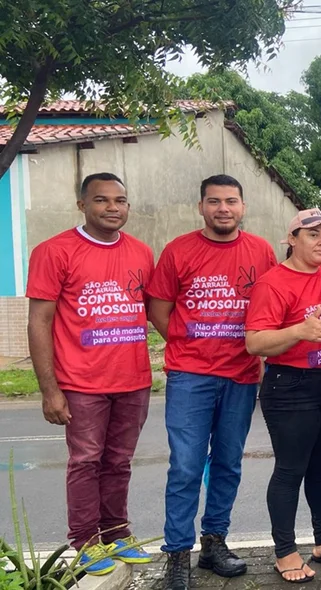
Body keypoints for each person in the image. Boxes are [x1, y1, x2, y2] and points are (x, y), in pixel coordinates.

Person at [148, 175, 278, 590]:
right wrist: (189, 346)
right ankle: (177, 556)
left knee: (227, 464)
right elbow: (160, 309)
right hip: (191, 376)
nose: (224, 208)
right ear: (201, 206)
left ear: (243, 207)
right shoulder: (178, 251)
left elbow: (271, 307)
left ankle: (214, 543)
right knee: (185, 466)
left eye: (231, 201)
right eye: (214, 201)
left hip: (241, 375)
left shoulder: (261, 251)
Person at [26, 173, 154, 575]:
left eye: (121, 200)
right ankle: (85, 543)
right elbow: (38, 323)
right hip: (81, 382)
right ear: (82, 205)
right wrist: (50, 390)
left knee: (120, 462)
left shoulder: (141, 252)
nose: (113, 208)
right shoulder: (54, 251)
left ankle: (116, 534)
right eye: (101, 200)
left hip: (134, 379)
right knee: (85, 462)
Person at [244, 209, 321, 583]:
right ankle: (285, 551)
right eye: (312, 235)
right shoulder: (274, 282)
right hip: (290, 386)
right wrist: (298, 331)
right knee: (291, 470)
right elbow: (254, 341)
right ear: (292, 239)